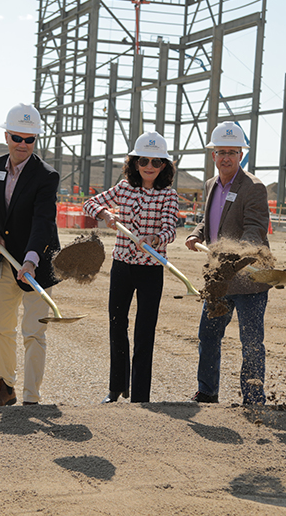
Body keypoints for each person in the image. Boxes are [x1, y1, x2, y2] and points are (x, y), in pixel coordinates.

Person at [83, 131, 179, 403]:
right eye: (144, 160)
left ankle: (140, 396)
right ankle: (115, 389)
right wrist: (105, 214)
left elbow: (171, 230)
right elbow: (89, 203)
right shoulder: (124, 188)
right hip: (122, 266)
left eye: (157, 162)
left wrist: (155, 239)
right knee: (117, 324)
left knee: (145, 331)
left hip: (151, 269)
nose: (149, 166)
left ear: (164, 167)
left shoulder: (169, 196)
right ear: (135, 163)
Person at [0, 103, 60, 407]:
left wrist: (30, 260)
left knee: (34, 332)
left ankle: (31, 398)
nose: (23, 145)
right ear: (6, 136)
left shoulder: (46, 176)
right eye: (17, 138)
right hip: (3, 259)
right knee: (2, 327)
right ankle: (6, 388)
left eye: (30, 139)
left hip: (37, 262)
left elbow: (43, 221)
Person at [185, 123, 271, 405]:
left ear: (241, 155)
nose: (226, 158)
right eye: (221, 151)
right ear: (213, 155)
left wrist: (233, 256)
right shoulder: (211, 184)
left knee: (251, 342)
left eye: (232, 152)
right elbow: (213, 220)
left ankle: (254, 397)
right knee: (208, 337)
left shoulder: (254, 188)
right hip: (218, 279)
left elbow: (255, 229)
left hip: (249, 278)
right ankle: (207, 392)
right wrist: (197, 233)